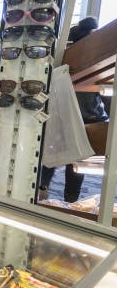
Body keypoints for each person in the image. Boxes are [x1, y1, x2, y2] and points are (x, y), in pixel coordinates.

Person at [39, 16, 108, 202]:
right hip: (89, 120)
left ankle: (42, 191)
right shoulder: (93, 59)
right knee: (77, 164)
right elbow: (105, 94)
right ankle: (71, 201)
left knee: (52, 156)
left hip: (62, 118)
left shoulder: (66, 55)